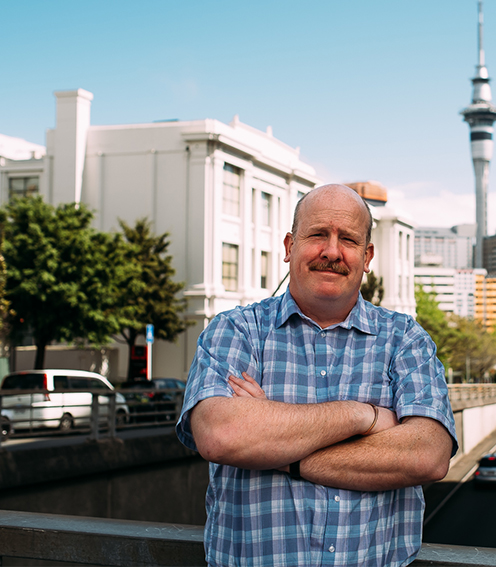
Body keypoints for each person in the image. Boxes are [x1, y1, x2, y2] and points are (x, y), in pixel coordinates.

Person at [176, 184, 457, 567]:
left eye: (348, 239)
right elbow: (220, 434)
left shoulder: (406, 340)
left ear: (367, 256)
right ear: (290, 246)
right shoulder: (236, 331)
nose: (331, 251)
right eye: (318, 235)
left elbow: (428, 455)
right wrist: (364, 417)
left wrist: (277, 449)